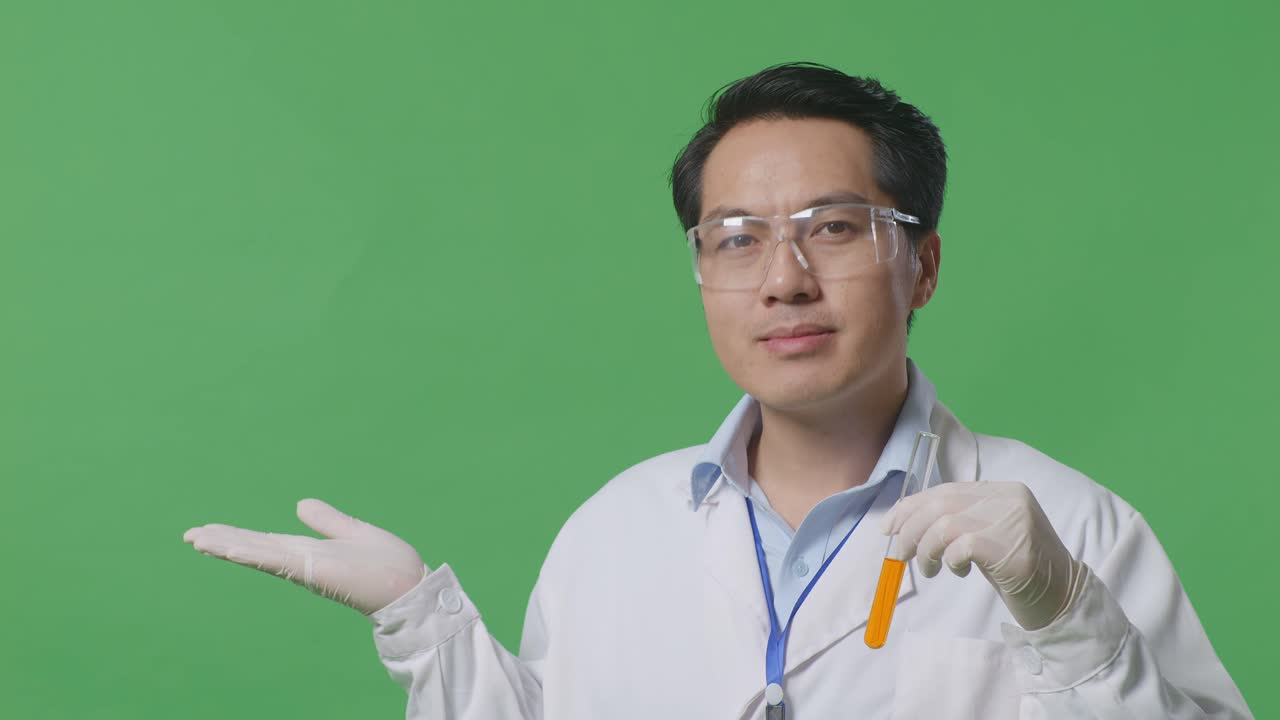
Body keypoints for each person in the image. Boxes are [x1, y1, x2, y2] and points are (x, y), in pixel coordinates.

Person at [182, 62, 1252, 719]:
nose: (783, 279)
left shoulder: (1067, 529)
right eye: (735, 238)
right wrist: (427, 628)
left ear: (921, 265)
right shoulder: (615, 530)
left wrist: (1065, 618)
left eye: (834, 228)